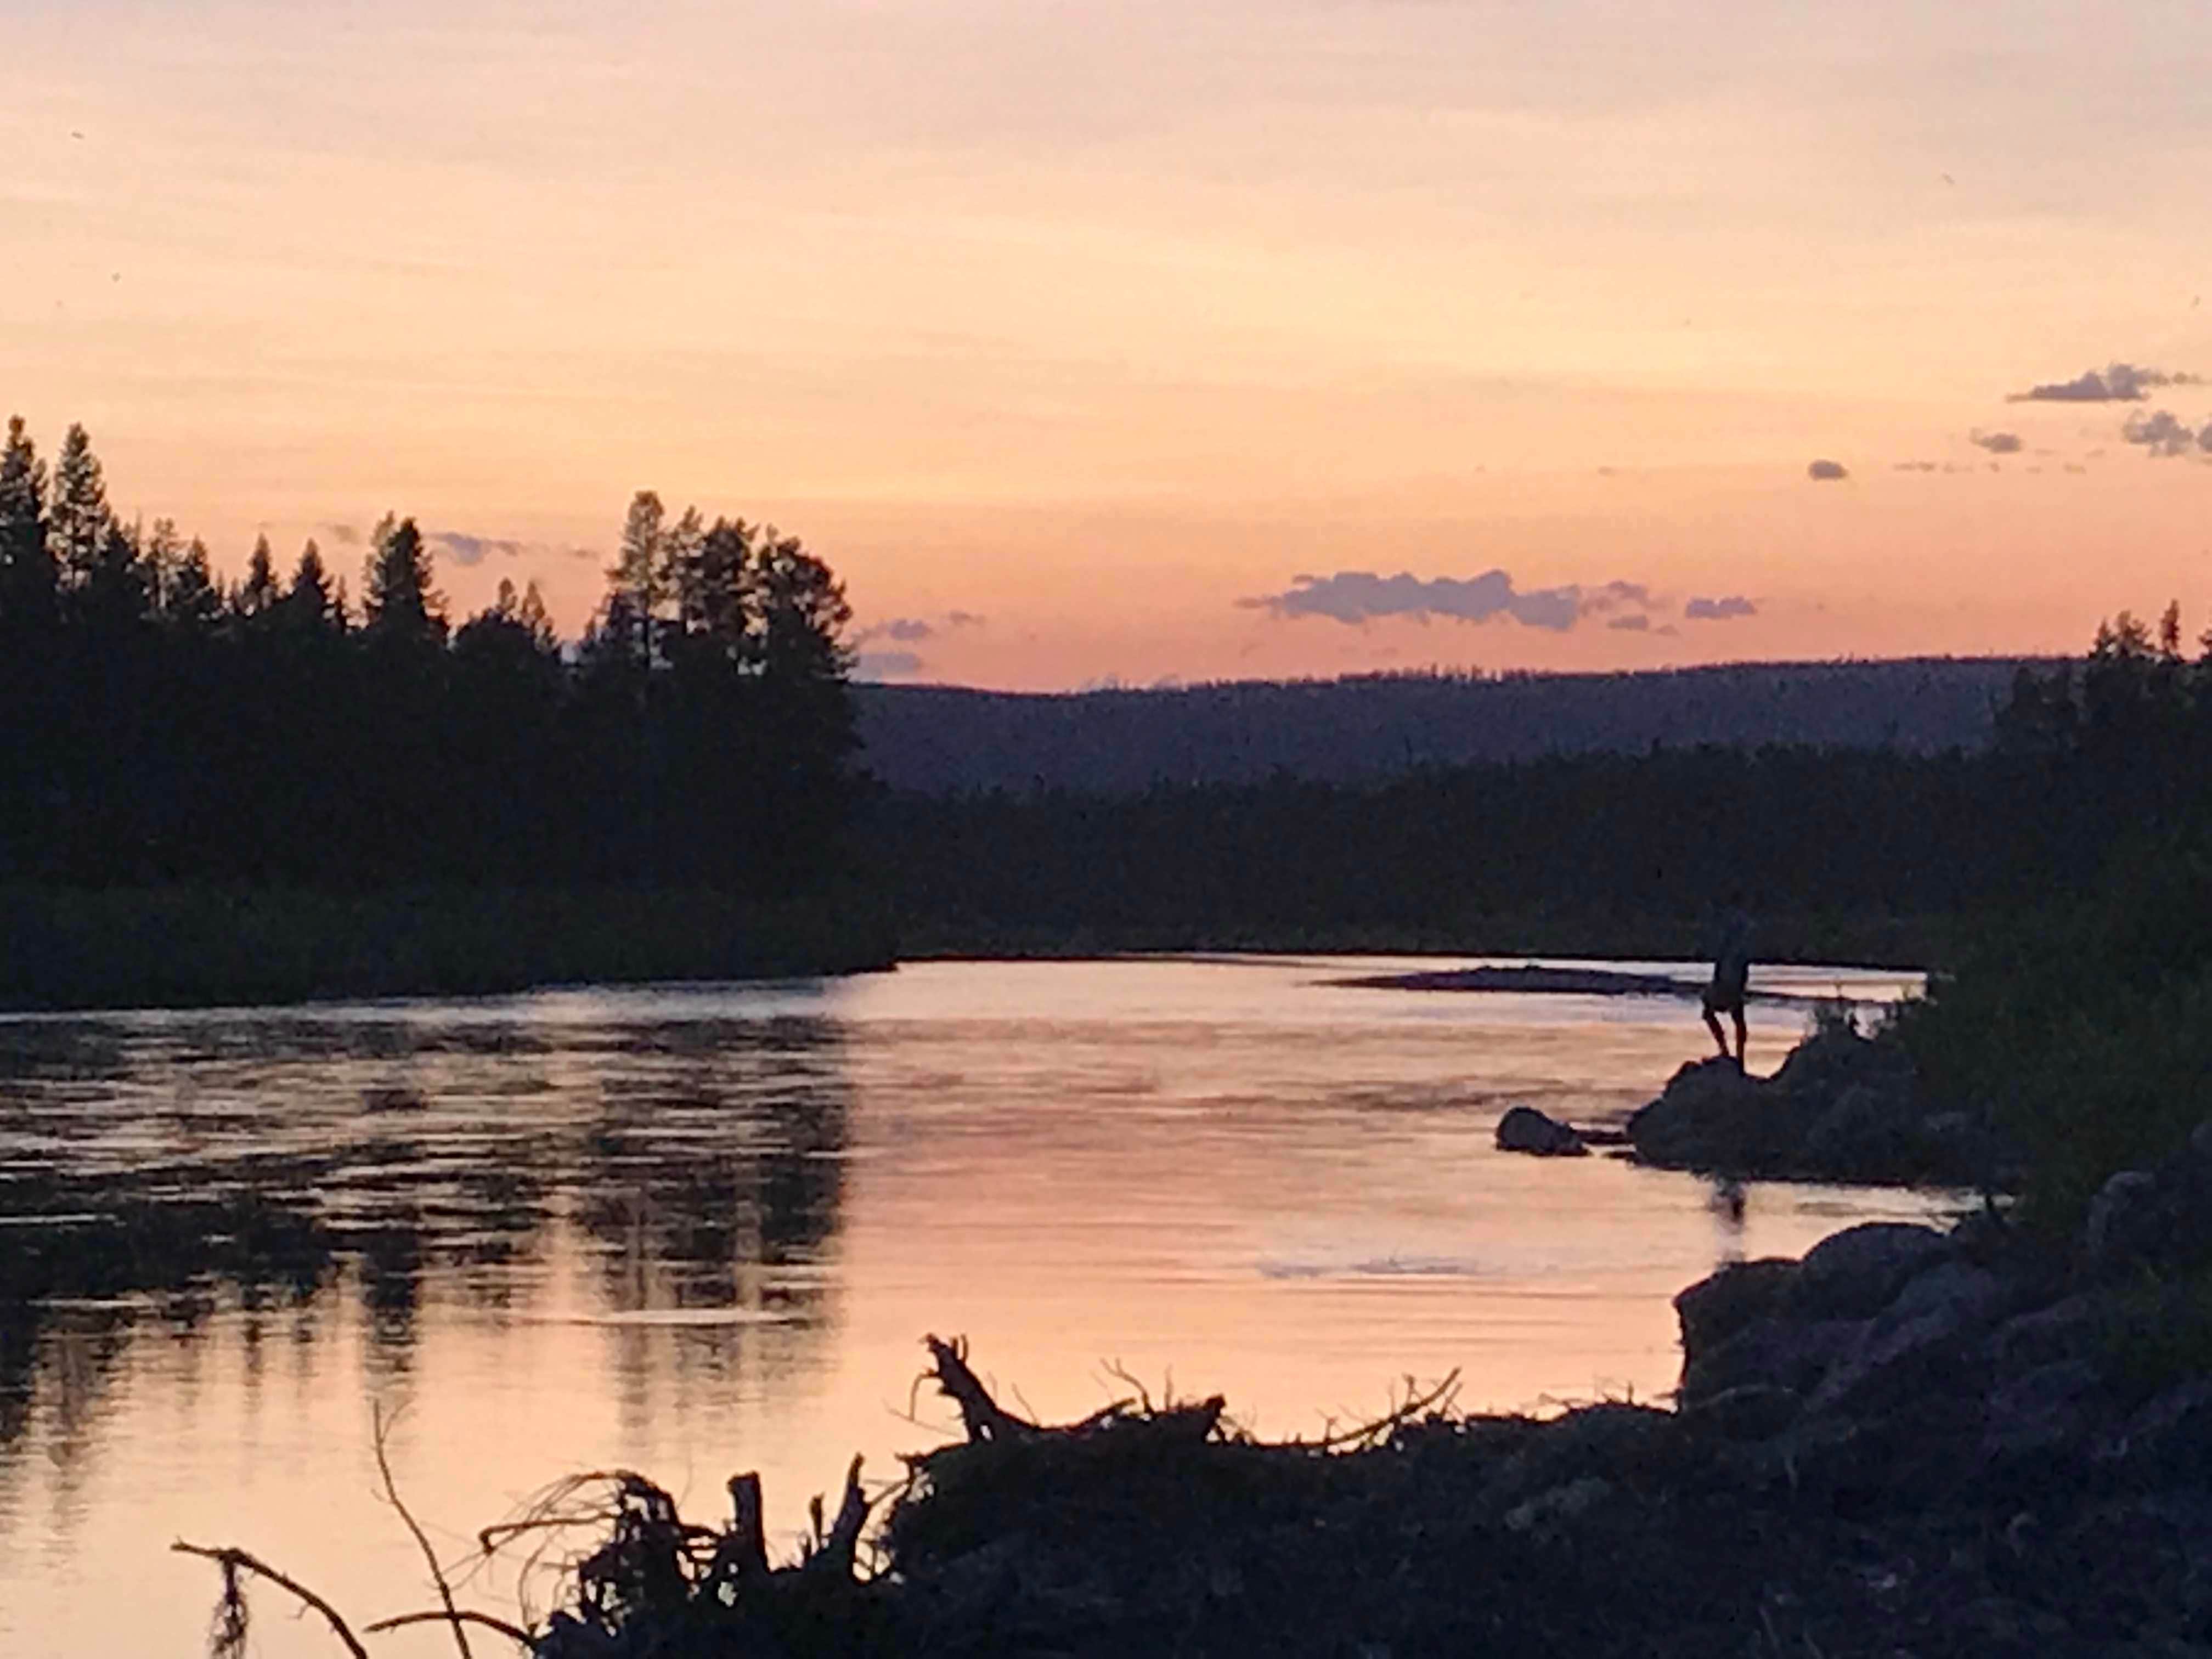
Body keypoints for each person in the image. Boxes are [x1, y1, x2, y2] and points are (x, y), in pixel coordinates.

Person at [1700, 899, 1754, 1066]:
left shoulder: (1732, 942)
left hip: (1728, 984)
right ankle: (1738, 1056)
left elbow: (1722, 966)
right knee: (1737, 1018)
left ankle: (1727, 1051)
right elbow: (1742, 969)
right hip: (1732, 984)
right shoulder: (1739, 944)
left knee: (1711, 1011)